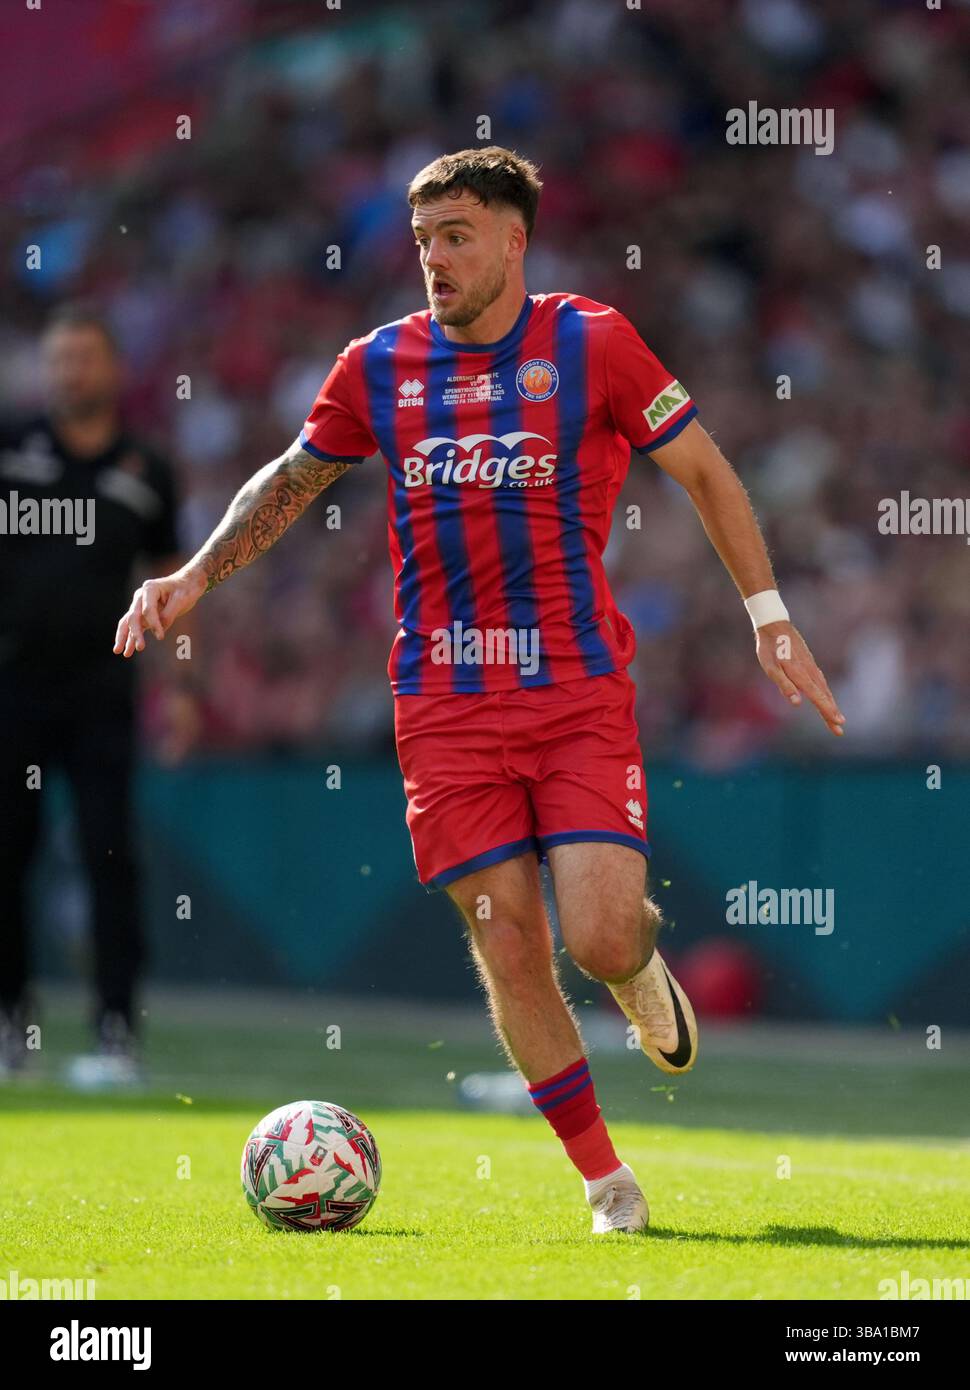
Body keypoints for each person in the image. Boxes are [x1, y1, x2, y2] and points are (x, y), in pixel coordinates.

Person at [113, 147, 845, 1231]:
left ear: (514, 239)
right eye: (422, 241)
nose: (435, 260)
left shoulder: (590, 342)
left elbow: (703, 469)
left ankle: (636, 970)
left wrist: (769, 617)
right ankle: (609, 1183)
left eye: (456, 235)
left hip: (575, 692)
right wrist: (195, 572)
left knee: (597, 936)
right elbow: (291, 479)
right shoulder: (377, 365)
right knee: (508, 940)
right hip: (443, 708)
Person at [0, 305, 181, 1087]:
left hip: (105, 694)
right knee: (7, 855)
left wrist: (179, 689)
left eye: (85, 357)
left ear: (113, 369)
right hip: (12, 690)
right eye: (59, 359)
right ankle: (11, 1026)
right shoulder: (11, 452)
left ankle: (115, 1034)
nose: (71, 372)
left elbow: (176, 586)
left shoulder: (148, 470)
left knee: (112, 858)